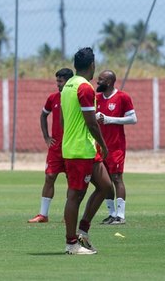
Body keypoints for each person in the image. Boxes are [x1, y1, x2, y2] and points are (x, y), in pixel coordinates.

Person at [61, 47, 108, 255]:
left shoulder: (68, 84)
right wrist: (104, 145)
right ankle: (71, 244)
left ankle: (83, 232)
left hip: (86, 147)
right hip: (80, 150)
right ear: (92, 65)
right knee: (75, 196)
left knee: (107, 187)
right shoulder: (84, 88)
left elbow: (64, 120)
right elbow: (91, 123)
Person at [28, 68, 74, 223]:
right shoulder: (53, 98)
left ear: (68, 81)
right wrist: (46, 137)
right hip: (55, 147)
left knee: (71, 180)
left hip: (71, 146)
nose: (57, 84)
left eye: (60, 81)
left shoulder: (75, 97)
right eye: (57, 81)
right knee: (49, 177)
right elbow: (43, 115)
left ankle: (68, 215)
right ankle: (43, 214)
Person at [95, 70, 137, 225]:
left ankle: (121, 215)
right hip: (100, 146)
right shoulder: (96, 98)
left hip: (116, 146)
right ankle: (111, 214)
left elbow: (133, 119)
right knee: (104, 181)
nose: (97, 82)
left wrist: (108, 119)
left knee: (117, 178)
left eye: (101, 80)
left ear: (110, 82)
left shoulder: (122, 97)